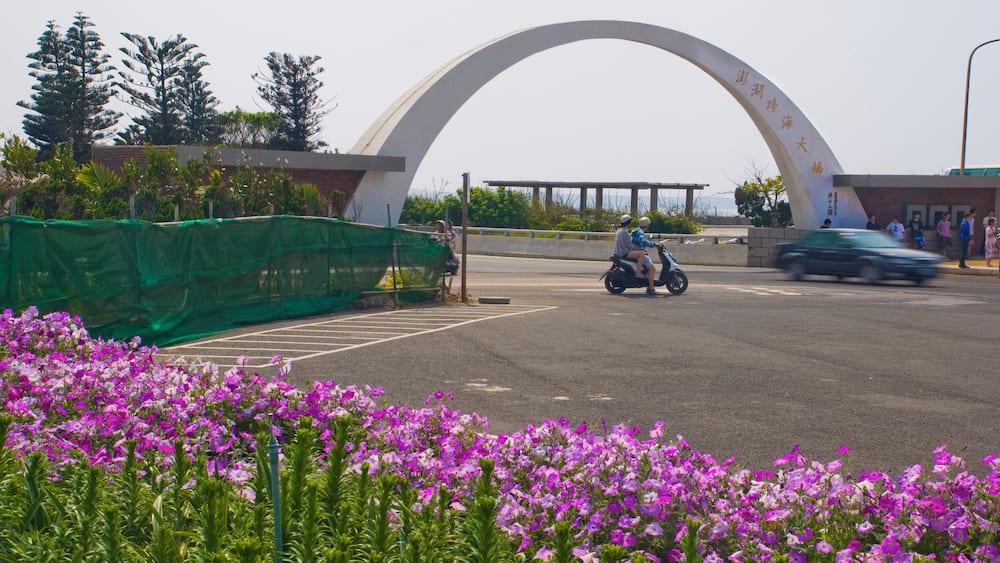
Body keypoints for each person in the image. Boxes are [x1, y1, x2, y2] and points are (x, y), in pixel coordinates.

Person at [630, 216, 660, 295]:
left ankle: (646, 282)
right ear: (647, 225)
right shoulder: (640, 232)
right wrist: (654, 244)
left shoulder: (636, 230)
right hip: (638, 252)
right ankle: (651, 288)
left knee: (649, 268)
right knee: (652, 269)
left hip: (636, 251)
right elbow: (643, 241)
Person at [614, 215, 649, 280]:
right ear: (628, 222)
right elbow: (630, 246)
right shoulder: (625, 232)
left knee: (640, 253)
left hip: (619, 252)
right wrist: (641, 249)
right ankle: (638, 273)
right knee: (642, 254)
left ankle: (636, 271)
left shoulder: (619, 231)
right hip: (624, 253)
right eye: (630, 221)